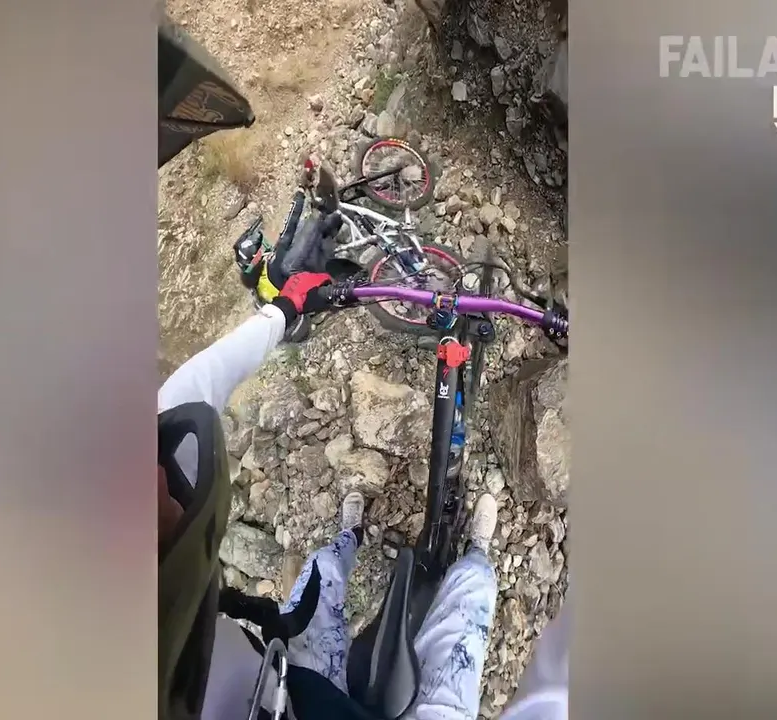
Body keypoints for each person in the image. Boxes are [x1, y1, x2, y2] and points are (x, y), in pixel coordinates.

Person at [157, 255, 569, 719]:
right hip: (291, 691)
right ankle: (477, 555)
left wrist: (280, 313)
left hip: (291, 674)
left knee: (322, 573)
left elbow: (180, 402)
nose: (164, 487)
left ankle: (349, 536)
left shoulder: (154, 604)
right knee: (468, 618)